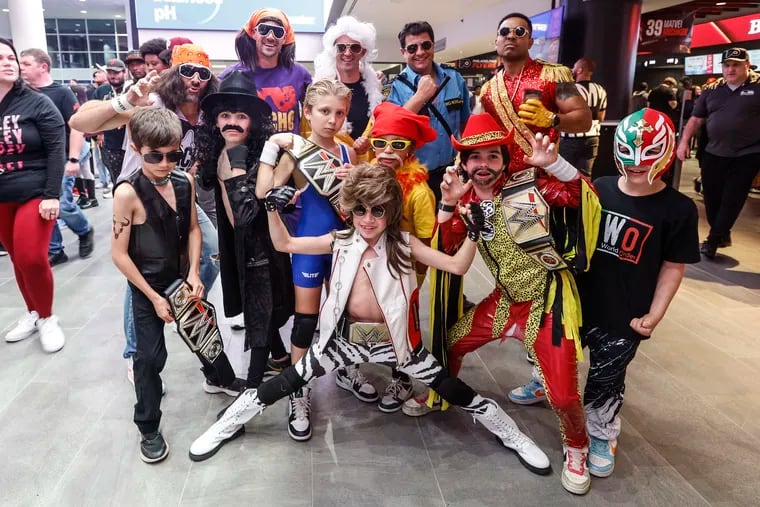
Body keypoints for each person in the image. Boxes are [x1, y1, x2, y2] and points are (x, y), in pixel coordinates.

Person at [188, 163, 552, 479]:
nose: (367, 219)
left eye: (377, 210)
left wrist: (473, 234)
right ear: (349, 209)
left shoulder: (405, 244)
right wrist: (272, 211)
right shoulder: (340, 240)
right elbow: (285, 245)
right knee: (280, 386)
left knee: (454, 389)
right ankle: (225, 426)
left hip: (399, 347)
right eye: (360, 209)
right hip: (340, 342)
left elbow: (456, 266)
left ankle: (512, 434)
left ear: (390, 211)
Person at [418, 113, 600, 495]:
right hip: (505, 300)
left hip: (548, 300)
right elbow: (446, 246)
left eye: (492, 157)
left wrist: (555, 164)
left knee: (565, 394)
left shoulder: (530, 186)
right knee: (450, 343)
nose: (483, 166)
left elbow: (581, 194)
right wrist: (448, 205)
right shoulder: (465, 201)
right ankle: (443, 395)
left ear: (504, 159)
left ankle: (577, 447)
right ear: (464, 163)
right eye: (474, 158)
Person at [512, 108, 700, 478]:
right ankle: (544, 384)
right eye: (629, 156)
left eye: (646, 155)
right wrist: (553, 162)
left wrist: (655, 313)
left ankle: (600, 433)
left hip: (624, 311)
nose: (636, 165)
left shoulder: (678, 209)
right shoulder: (606, 186)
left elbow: (673, 266)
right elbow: (579, 185)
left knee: (607, 377)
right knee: (550, 351)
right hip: (577, 298)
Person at [70, 44, 224, 390]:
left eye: (202, 73)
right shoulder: (152, 104)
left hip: (179, 196)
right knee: (140, 274)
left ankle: (177, 304)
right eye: (186, 71)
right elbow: (79, 121)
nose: (195, 79)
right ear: (173, 73)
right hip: (137, 197)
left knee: (211, 254)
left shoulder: (207, 115)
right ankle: (135, 350)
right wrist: (126, 100)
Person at [255, 79, 358, 441]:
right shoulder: (296, 151)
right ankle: (299, 389)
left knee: (345, 314)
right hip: (309, 246)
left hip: (344, 244)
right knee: (305, 321)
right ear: (308, 112)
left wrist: (353, 181)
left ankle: (345, 370)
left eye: (340, 112)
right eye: (324, 111)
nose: (332, 119)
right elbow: (262, 192)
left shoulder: (347, 152)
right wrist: (272, 146)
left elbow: (355, 207)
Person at [111, 107, 203, 463]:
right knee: (148, 358)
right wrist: (151, 297)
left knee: (203, 334)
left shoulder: (185, 181)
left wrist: (195, 272)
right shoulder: (127, 193)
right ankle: (148, 426)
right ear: (136, 149)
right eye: (155, 156)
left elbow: (194, 229)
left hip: (180, 278)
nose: (165, 163)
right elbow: (119, 254)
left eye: (173, 155)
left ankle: (220, 375)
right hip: (146, 285)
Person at [194, 70, 295, 393]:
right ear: (215, 121)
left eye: (240, 116)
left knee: (261, 315)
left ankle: (260, 379)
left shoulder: (243, 154)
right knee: (259, 314)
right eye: (225, 115)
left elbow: (252, 211)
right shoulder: (230, 154)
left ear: (253, 121)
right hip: (248, 252)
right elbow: (246, 212)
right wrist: (283, 168)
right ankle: (267, 371)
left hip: (261, 252)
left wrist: (279, 169)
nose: (232, 123)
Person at [0, 38, 66, 353]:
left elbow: (56, 148)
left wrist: (52, 194)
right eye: (1, 58)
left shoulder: (37, 102)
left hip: (35, 191)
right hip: (2, 196)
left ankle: (48, 318)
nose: (8, 62)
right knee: (16, 259)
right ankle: (34, 312)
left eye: (11, 57)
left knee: (31, 257)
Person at [480, 12, 592, 174]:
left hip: (542, 179)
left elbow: (584, 120)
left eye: (519, 32)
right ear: (496, 42)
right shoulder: (488, 89)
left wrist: (551, 119)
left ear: (530, 42)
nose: (511, 36)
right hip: (498, 178)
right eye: (504, 32)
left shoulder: (553, 76)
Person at [677, 48, 760, 259]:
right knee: (712, 197)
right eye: (727, 65)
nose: (731, 69)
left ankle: (713, 240)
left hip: (747, 153)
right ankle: (722, 233)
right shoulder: (711, 90)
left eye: (736, 65)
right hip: (714, 152)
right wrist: (683, 142)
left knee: (733, 196)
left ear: (746, 66)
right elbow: (696, 119)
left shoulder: (758, 87)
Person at [19, 48, 95, 266]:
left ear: (43, 66)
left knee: (60, 202)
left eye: (26, 63)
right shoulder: (23, 95)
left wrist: (72, 159)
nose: (20, 67)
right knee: (42, 203)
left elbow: (78, 127)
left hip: (62, 156)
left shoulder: (62, 93)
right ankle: (55, 249)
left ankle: (83, 229)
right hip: (36, 161)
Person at [386, 21, 471, 201]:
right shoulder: (396, 87)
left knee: (450, 226)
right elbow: (392, 132)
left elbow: (466, 124)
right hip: (414, 179)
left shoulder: (454, 77)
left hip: (452, 173)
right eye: (412, 48)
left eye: (425, 45)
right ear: (403, 53)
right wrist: (419, 97)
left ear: (433, 45)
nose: (420, 52)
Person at [220, 7, 311, 135]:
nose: (270, 37)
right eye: (264, 30)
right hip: (250, 153)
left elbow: (316, 112)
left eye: (278, 32)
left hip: (289, 152)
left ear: (285, 38)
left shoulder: (300, 74)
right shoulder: (231, 76)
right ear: (253, 33)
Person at [313, 15, 382, 146]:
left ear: (363, 52)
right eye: (341, 47)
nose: (348, 53)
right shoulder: (321, 88)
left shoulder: (374, 86)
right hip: (332, 159)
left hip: (366, 163)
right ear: (333, 50)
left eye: (355, 47)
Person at [559, 57, 607, 176]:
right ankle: (584, 195)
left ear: (579, 70)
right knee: (585, 176)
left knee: (565, 176)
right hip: (592, 138)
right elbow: (601, 118)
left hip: (570, 139)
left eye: (575, 67)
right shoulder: (600, 90)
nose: (572, 69)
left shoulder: (570, 89)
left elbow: (562, 116)